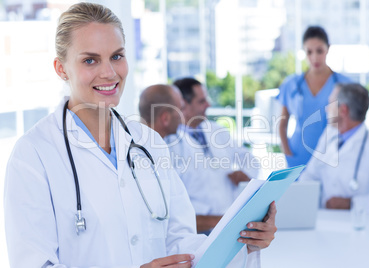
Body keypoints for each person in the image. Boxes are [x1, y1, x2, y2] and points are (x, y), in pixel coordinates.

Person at [3, 3, 277, 268]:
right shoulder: (33, 155)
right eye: (90, 60)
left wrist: (246, 239)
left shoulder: (149, 143)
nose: (109, 73)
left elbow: (182, 243)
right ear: (61, 68)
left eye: (117, 56)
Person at [170, 77, 260, 233]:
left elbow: (249, 159)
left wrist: (245, 175)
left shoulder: (215, 130)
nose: (208, 105)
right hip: (196, 229)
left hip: (228, 221)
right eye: (201, 101)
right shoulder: (169, 143)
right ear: (182, 105)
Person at [299, 83, 369, 214]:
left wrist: (351, 203)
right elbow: (309, 175)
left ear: (343, 110)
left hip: (359, 227)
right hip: (324, 221)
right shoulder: (329, 134)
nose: (326, 109)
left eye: (330, 104)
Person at [277, 26, 351, 167]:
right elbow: (282, 125)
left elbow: (351, 124)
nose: (314, 57)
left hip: (332, 157)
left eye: (319, 51)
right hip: (297, 156)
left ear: (328, 49)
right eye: (309, 52)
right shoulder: (291, 84)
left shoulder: (344, 84)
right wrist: (287, 153)